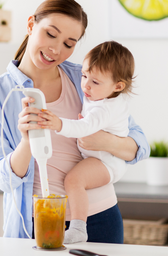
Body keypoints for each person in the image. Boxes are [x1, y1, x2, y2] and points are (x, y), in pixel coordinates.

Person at [0, 0, 150, 243]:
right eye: (50, 34)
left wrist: (102, 141)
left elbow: (140, 146)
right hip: (37, 221)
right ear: (31, 25)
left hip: (99, 217)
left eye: (69, 44)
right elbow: (3, 180)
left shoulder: (87, 79)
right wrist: (26, 142)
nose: (56, 50)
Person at [38, 40, 135, 243]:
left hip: (107, 163)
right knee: (75, 180)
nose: (86, 85)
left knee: (74, 181)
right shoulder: (102, 94)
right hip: (101, 160)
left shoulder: (106, 108)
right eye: (83, 76)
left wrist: (58, 124)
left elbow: (85, 128)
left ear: (118, 86)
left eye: (95, 82)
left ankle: (79, 228)